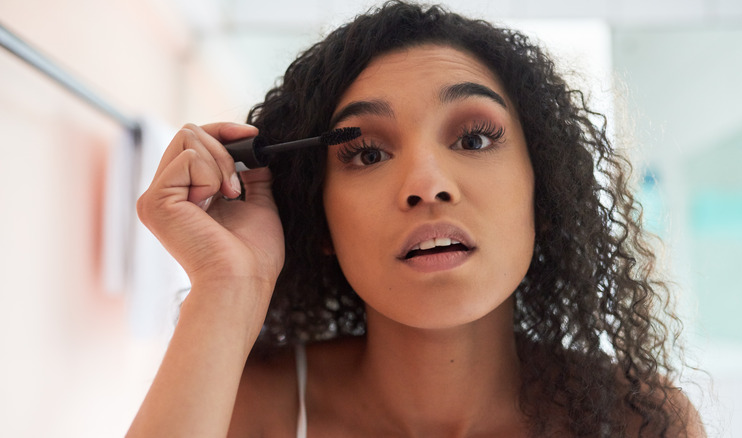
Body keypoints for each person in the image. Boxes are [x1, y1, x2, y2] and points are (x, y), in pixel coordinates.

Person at [128, 2, 705, 437]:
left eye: (474, 138)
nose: (427, 184)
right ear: (320, 220)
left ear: (544, 196)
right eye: (368, 154)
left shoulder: (641, 423)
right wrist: (228, 286)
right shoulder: (250, 407)